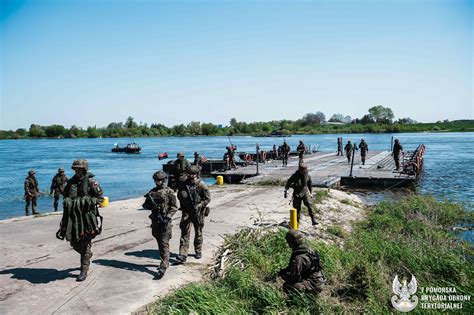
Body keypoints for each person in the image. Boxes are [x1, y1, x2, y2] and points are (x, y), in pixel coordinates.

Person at [56, 159, 104, 281]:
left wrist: (87, 202)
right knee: (73, 242)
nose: (76, 171)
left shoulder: (91, 182)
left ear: (84, 169)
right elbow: (66, 195)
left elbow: (100, 199)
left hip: (87, 218)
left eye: (78, 169)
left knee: (85, 243)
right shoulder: (71, 182)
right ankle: (87, 255)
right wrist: (70, 203)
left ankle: (84, 270)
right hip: (73, 218)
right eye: (75, 169)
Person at [142, 171, 178, 278]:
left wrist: (168, 216)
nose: (157, 182)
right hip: (155, 221)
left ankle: (164, 265)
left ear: (163, 180)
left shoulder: (169, 192)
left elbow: (174, 207)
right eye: (156, 180)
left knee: (164, 243)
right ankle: (164, 260)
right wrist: (150, 205)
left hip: (165, 221)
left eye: (159, 180)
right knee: (159, 241)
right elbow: (145, 205)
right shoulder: (152, 192)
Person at [176, 166, 211, 263]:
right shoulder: (184, 184)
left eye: (193, 174)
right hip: (186, 211)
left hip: (198, 212)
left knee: (198, 232)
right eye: (189, 174)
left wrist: (200, 205)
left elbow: (208, 198)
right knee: (184, 233)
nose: (191, 176)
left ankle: (198, 250)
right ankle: (183, 254)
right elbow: (180, 195)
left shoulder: (201, 185)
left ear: (196, 174)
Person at [278, 230, 325, 294]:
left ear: (292, 242)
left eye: (288, 241)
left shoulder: (298, 258)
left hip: (314, 284)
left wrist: (284, 276)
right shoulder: (308, 250)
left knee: (287, 286)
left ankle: (299, 300)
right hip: (319, 281)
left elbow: (294, 278)